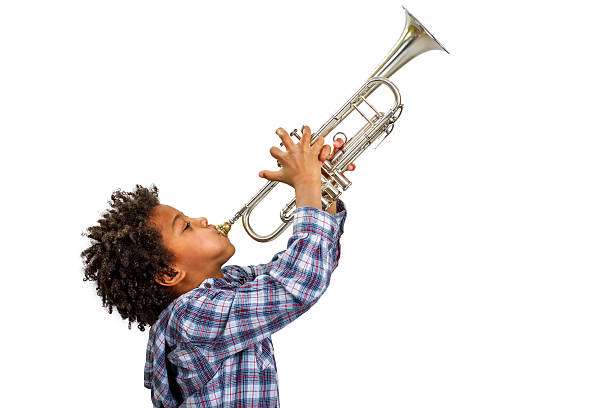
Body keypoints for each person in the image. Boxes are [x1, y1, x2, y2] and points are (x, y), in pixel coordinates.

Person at [81, 125, 356, 407]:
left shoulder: (230, 284)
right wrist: (306, 184)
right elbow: (296, 285)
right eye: (186, 226)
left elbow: (313, 266)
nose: (201, 219)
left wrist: (321, 189)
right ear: (169, 273)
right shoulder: (189, 317)